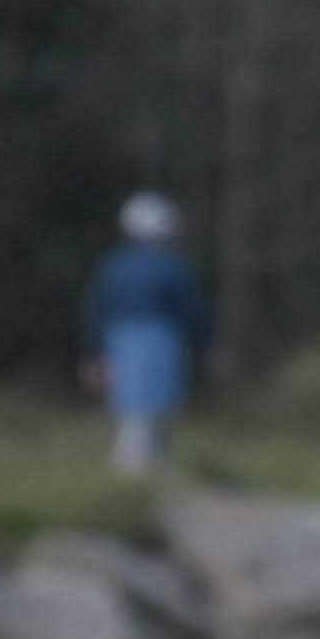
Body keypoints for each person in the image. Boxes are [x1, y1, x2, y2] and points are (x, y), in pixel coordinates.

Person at [84, 190, 210, 476]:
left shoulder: (113, 265)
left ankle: (136, 470)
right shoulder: (173, 266)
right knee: (153, 411)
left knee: (133, 410)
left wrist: (93, 354)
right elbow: (192, 311)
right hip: (159, 342)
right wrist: (205, 346)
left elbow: (96, 312)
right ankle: (142, 472)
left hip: (120, 342)